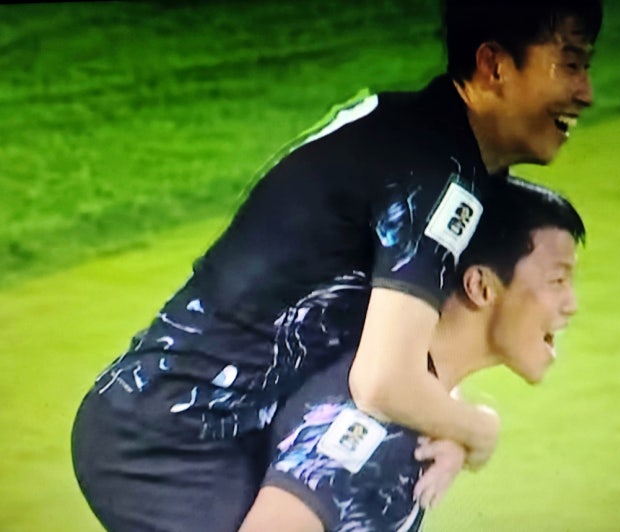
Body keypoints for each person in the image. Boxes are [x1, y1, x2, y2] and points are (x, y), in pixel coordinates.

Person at [71, 1, 602, 530]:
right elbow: (382, 382)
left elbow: (424, 326)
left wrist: (444, 413)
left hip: (197, 418)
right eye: (570, 64)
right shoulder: (436, 176)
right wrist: (477, 430)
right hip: (172, 440)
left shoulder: (433, 144)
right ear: (494, 66)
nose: (586, 92)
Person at [241, 176, 585, 531]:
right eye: (557, 281)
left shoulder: (415, 400)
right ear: (480, 286)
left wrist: (465, 426)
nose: (572, 305)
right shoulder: (371, 423)